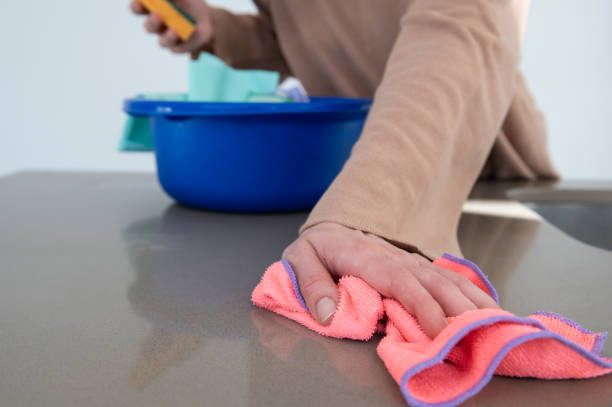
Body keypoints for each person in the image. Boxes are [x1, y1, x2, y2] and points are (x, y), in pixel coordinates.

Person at [131, 0, 559, 338]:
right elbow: (304, 35)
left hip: (475, 176)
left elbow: (459, 23)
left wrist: (365, 212)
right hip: (356, 183)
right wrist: (218, 30)